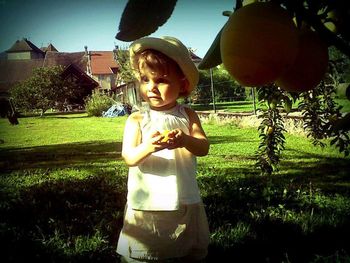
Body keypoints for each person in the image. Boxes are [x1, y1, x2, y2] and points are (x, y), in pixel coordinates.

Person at [116, 36, 210, 263]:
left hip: (184, 197)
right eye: (145, 79)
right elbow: (129, 157)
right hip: (148, 204)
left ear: (183, 83)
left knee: (185, 251)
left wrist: (185, 140)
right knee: (145, 253)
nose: (152, 88)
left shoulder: (188, 115)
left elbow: (203, 147)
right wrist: (148, 146)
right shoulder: (137, 119)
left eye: (161, 80)